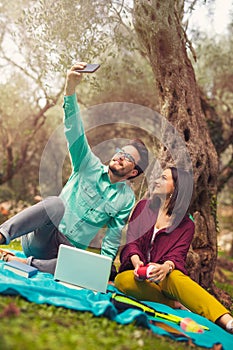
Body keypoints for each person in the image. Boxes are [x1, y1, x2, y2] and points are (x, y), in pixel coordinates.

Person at [0, 62, 149, 278]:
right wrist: (70, 89)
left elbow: (112, 237)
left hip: (65, 254)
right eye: (120, 151)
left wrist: (104, 267)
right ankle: (3, 235)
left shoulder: (125, 199)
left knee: (85, 266)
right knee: (55, 204)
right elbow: (74, 129)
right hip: (41, 238)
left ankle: (22, 262)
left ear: (133, 172)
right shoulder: (87, 163)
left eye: (127, 158)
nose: (119, 157)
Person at [114, 167, 233, 333]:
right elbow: (132, 242)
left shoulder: (186, 224)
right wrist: (136, 262)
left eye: (163, 178)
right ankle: (175, 303)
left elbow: (177, 255)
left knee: (176, 278)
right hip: (137, 273)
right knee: (122, 281)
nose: (156, 181)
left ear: (176, 188)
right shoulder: (143, 207)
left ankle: (227, 321)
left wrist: (165, 267)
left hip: (165, 276)